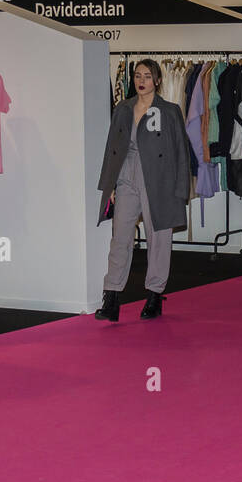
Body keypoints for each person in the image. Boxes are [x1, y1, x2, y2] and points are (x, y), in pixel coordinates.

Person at [95, 59, 191, 322]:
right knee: (120, 238)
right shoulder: (123, 108)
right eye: (138, 75)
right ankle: (112, 297)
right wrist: (110, 184)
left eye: (147, 76)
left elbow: (182, 151)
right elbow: (111, 147)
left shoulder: (169, 111)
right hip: (127, 175)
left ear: (157, 80)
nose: (141, 81)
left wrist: (181, 190)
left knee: (158, 239)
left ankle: (154, 295)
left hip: (158, 179)